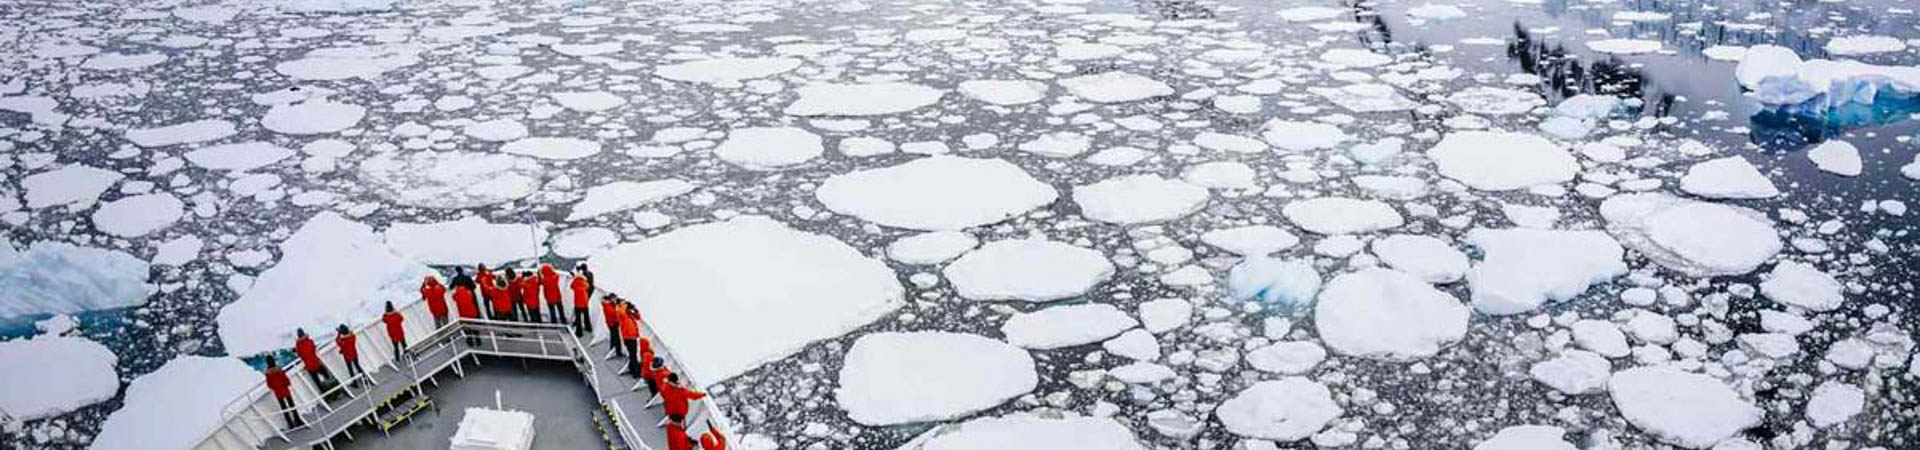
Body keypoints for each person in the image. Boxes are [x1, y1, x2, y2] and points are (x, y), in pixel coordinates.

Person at [264, 357, 300, 427]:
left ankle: (290, 423)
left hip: (278, 392)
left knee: (284, 408)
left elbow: (269, 384)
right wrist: (287, 384)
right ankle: (297, 419)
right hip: (285, 389)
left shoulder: (268, 373)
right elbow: (285, 379)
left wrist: (275, 388)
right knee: (292, 405)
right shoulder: (279, 370)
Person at [620, 303, 642, 376]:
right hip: (628, 338)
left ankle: (632, 368)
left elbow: (638, 317)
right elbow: (621, 311)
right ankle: (634, 372)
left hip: (632, 337)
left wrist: (635, 310)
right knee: (633, 355)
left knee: (633, 354)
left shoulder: (630, 315)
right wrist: (626, 305)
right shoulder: (623, 316)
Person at [569, 270, 592, 336]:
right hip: (585, 302)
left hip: (577, 303)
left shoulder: (575, 283)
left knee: (578, 318)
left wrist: (574, 278)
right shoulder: (585, 283)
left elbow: (572, 286)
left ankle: (579, 332)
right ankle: (588, 328)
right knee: (586, 316)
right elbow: (588, 286)